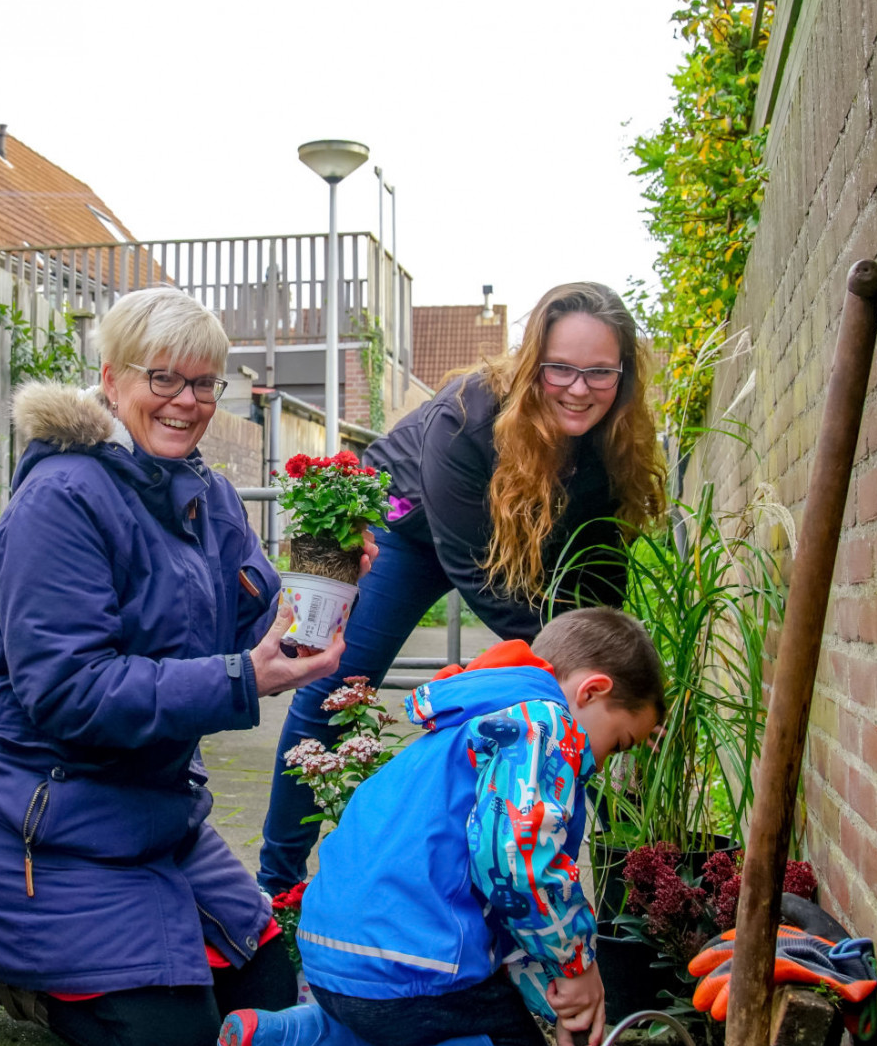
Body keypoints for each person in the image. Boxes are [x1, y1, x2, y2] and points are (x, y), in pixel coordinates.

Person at [0, 287, 355, 1046]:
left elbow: (252, 627)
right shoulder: (62, 499)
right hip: (28, 806)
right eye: (163, 378)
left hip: (142, 809)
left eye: (205, 384)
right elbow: (68, 691)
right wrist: (241, 678)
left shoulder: (209, 497)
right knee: (168, 1042)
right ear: (111, 379)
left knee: (268, 991)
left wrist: (323, 593)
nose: (186, 402)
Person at [214, 608, 665, 1046]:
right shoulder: (543, 725)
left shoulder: (472, 720)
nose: (604, 762)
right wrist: (577, 966)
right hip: (414, 963)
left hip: (334, 960)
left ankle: (274, 1041)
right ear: (592, 690)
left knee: (404, 1025)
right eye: (619, 742)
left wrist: (557, 1003)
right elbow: (520, 863)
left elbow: (499, 900)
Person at [257, 281, 665, 894]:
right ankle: (277, 885)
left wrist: (617, 676)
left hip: (508, 537)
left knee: (590, 699)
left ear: (623, 375)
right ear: (533, 364)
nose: (579, 389)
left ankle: (610, 877)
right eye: (561, 369)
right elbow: (470, 566)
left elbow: (599, 565)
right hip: (411, 529)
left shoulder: (615, 442)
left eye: (600, 373)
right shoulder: (466, 417)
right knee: (334, 682)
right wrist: (562, 662)